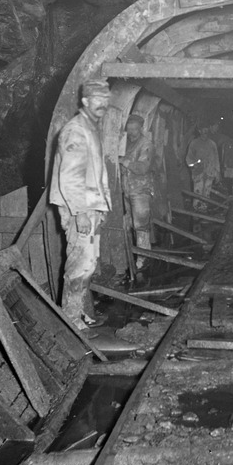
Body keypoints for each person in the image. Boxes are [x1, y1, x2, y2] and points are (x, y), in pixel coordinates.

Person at [49, 79, 113, 332]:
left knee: (88, 264)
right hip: (79, 210)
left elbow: (95, 175)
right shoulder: (76, 130)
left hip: (89, 208)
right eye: (98, 100)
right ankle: (70, 322)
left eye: (106, 101)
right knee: (79, 266)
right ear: (85, 101)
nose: (103, 106)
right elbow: (71, 177)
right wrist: (81, 213)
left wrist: (101, 208)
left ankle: (78, 314)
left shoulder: (90, 128)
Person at [119, 113, 154, 272]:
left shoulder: (146, 143)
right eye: (129, 129)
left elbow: (143, 167)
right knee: (130, 223)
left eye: (135, 129)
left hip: (140, 190)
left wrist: (124, 162)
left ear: (141, 128)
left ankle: (144, 258)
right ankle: (133, 255)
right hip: (127, 189)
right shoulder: (124, 143)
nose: (132, 132)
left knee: (141, 225)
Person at [186, 122, 221, 210]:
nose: (205, 132)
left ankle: (204, 213)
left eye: (206, 130)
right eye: (203, 130)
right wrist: (195, 166)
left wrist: (217, 172)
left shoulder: (212, 144)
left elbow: (216, 159)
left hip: (209, 173)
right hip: (198, 174)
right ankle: (196, 214)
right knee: (197, 194)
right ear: (199, 131)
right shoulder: (194, 143)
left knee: (207, 194)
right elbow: (189, 159)